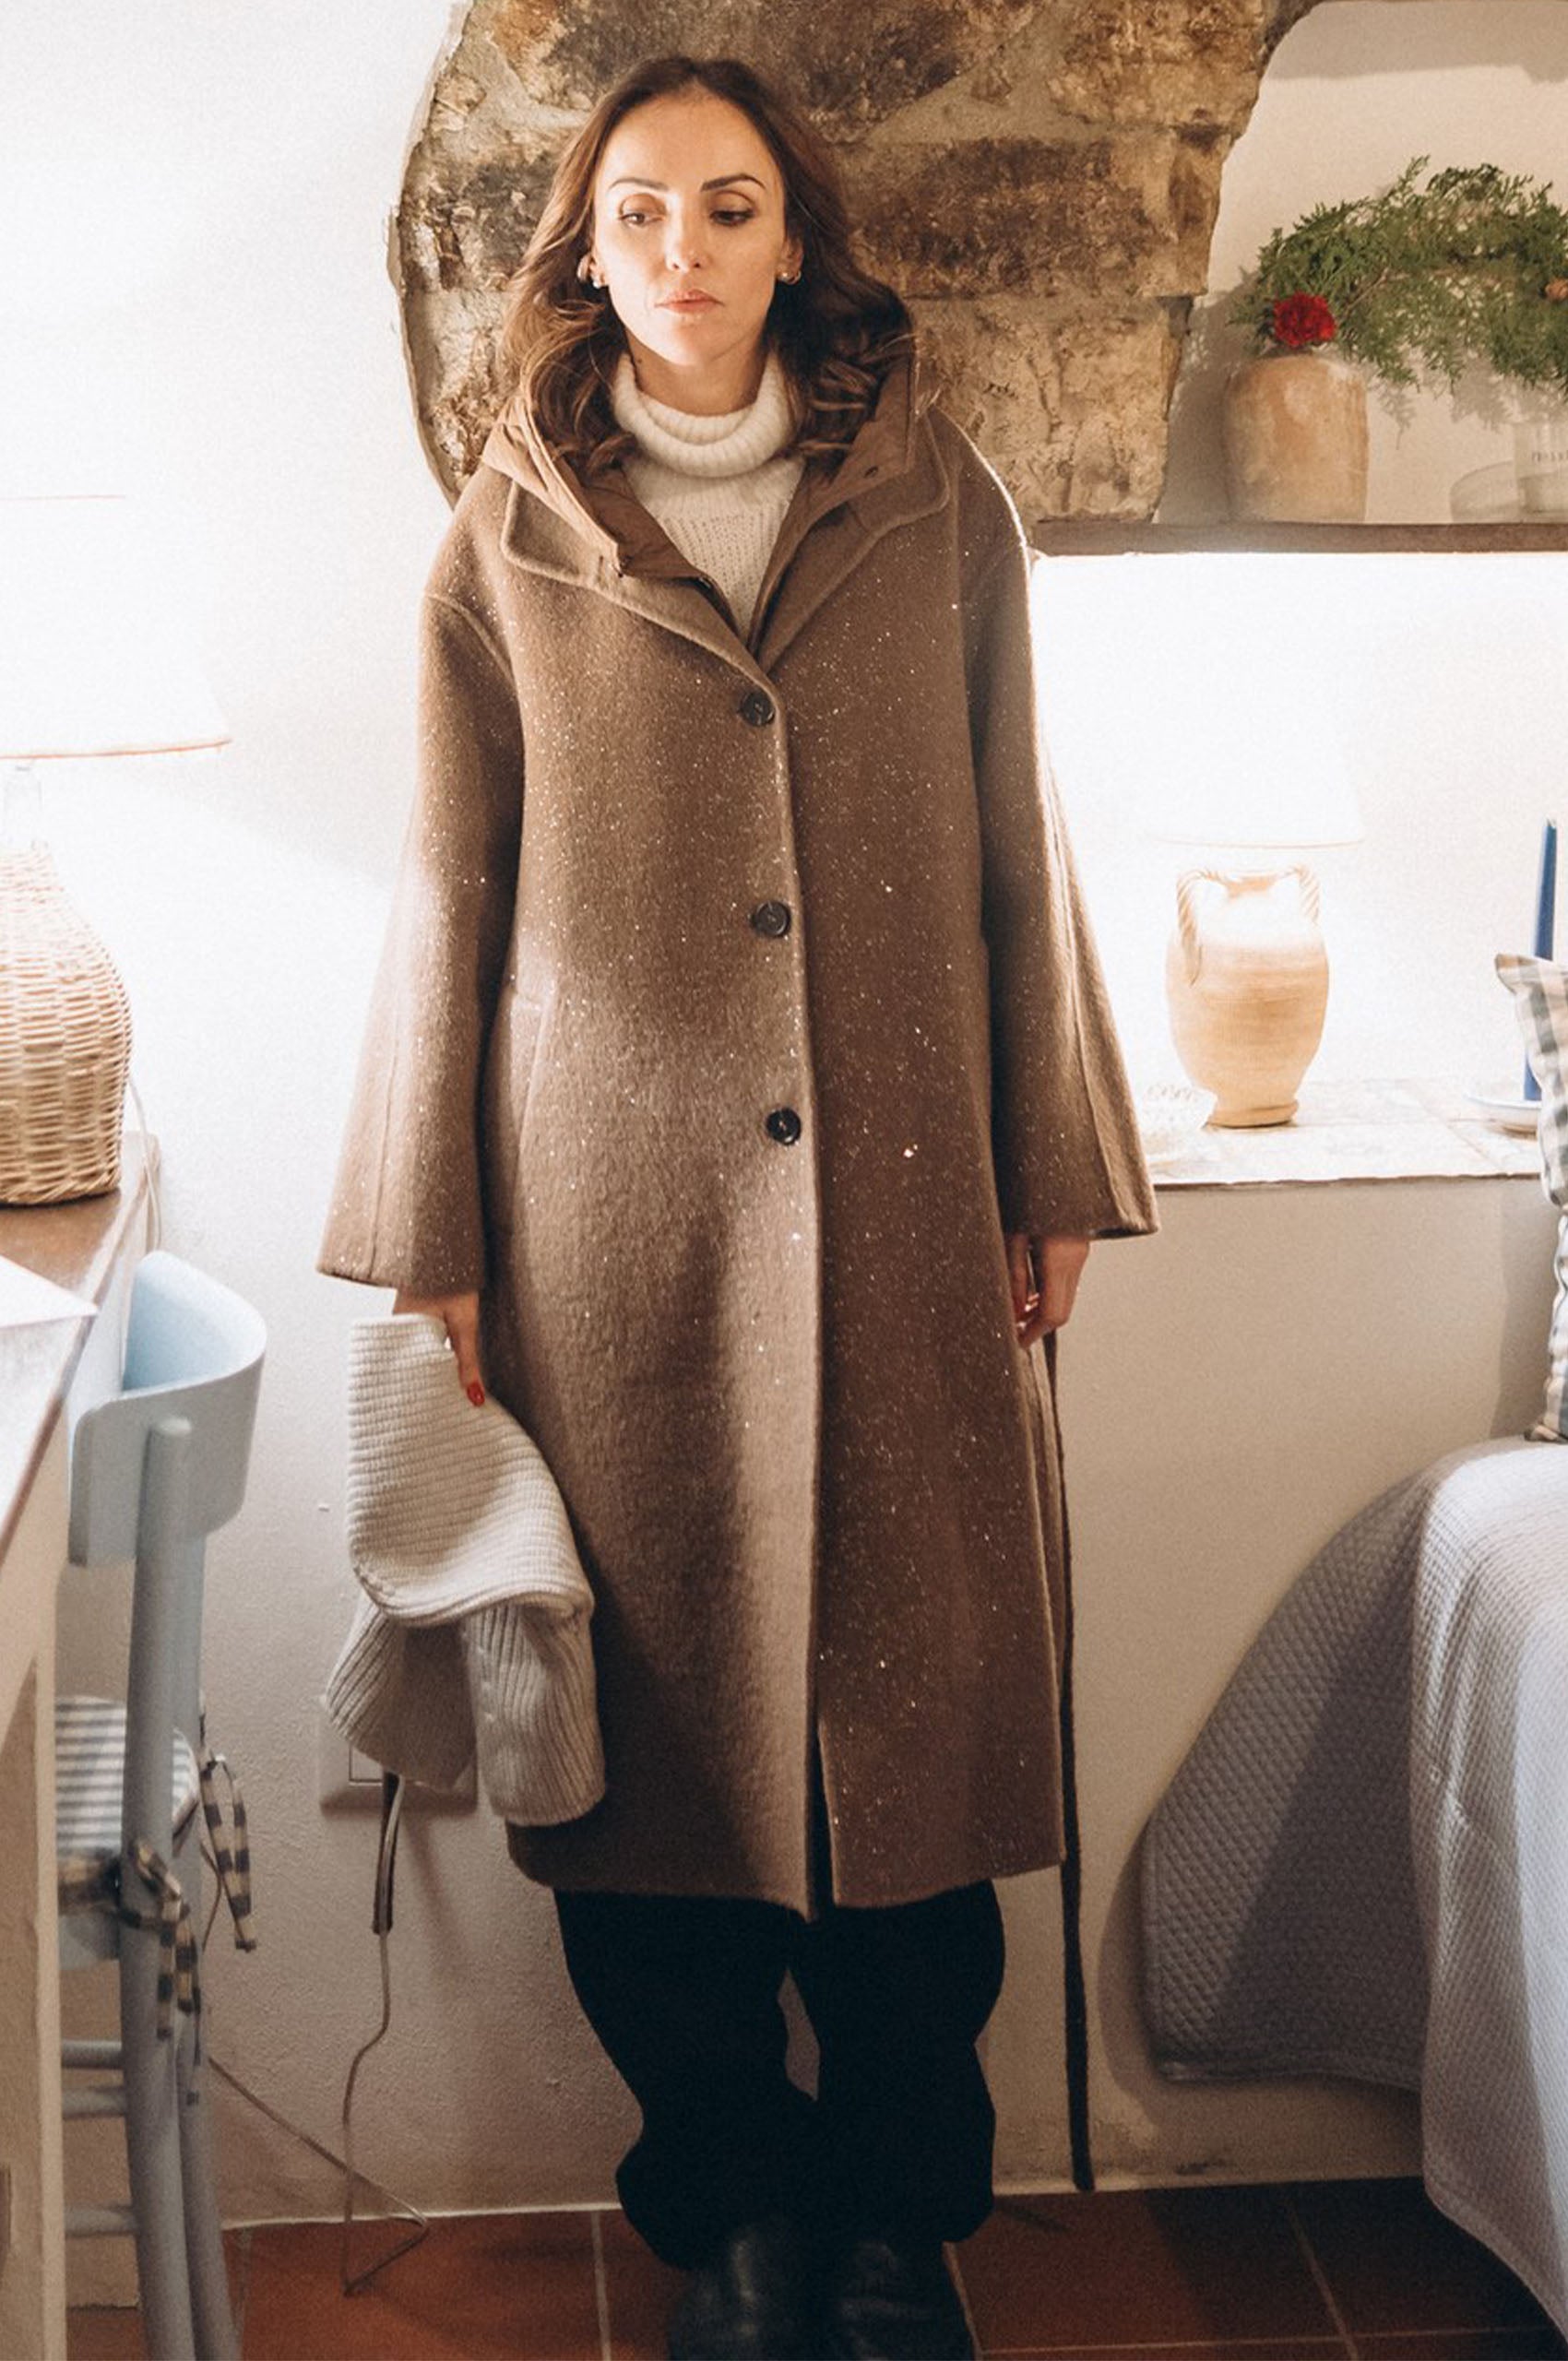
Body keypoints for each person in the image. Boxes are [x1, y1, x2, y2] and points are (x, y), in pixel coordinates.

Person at [318, 50, 1158, 2361]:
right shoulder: (506, 535)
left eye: (727, 205)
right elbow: (446, 884)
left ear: (795, 240)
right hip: (610, 1234)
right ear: (583, 252)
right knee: (651, 1776)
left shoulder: (937, 499)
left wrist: (1055, 1162)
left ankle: (896, 2227)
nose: (681, 248)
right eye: (639, 210)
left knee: (914, 1754)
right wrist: (432, 1232)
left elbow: (1019, 838)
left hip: (909, 1202)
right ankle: (739, 2220)